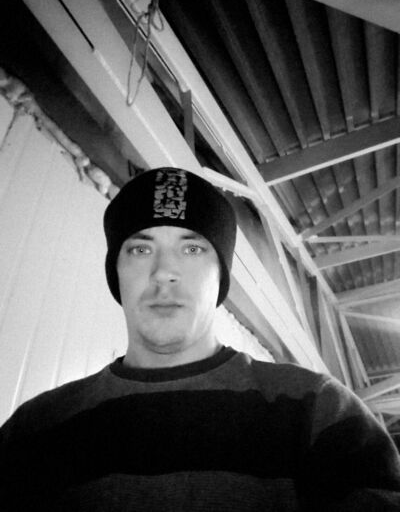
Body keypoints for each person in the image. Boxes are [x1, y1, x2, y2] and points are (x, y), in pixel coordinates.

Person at [1, 166, 400, 511]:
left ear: (220, 276)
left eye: (192, 248)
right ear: (116, 273)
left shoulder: (318, 412)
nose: (164, 271)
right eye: (140, 249)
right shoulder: (35, 430)